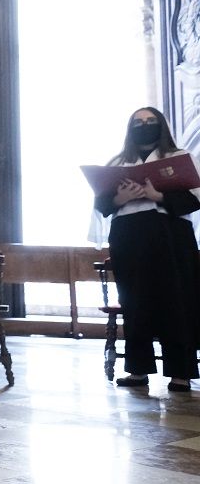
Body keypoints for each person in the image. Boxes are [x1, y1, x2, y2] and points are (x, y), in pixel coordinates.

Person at [91, 107, 198, 392]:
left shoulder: (179, 157)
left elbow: (194, 198)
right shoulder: (118, 161)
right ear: (130, 128)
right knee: (134, 301)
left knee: (175, 301)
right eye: (138, 122)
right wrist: (119, 197)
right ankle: (138, 370)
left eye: (150, 121)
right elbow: (101, 204)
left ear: (161, 126)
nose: (145, 125)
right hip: (129, 235)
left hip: (170, 233)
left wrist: (157, 195)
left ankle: (180, 373)